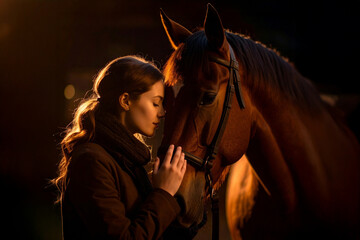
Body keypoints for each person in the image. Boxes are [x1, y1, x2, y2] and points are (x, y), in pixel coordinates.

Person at [52, 55, 187, 239]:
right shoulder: (91, 162)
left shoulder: (127, 161)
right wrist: (163, 194)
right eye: (156, 103)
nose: (163, 112)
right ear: (125, 101)